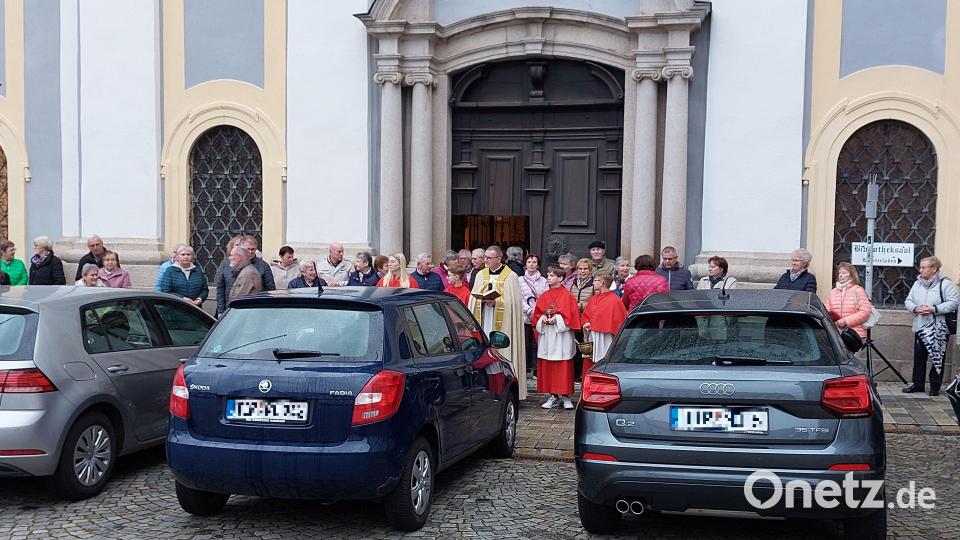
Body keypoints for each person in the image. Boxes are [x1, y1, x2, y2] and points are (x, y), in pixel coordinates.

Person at [468, 245, 527, 400]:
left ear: (499, 258)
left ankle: (507, 389)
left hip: (503, 325)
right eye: (485, 257)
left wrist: (497, 302)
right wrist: (481, 301)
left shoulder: (511, 276)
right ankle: (486, 387)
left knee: (501, 353)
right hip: (484, 320)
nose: (485, 260)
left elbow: (514, 303)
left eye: (488, 258)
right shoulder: (481, 274)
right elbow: (473, 299)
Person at [903, 256, 959, 396]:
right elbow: (908, 301)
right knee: (919, 357)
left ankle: (935, 386)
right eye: (920, 267)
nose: (920, 270)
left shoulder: (946, 284)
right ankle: (918, 384)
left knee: (937, 358)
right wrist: (915, 309)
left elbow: (954, 302)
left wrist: (934, 308)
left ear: (934, 269)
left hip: (938, 328)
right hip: (920, 325)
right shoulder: (917, 284)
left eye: (923, 267)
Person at [533, 266, 581, 409]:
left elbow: (572, 317)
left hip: (562, 336)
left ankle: (566, 397)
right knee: (548, 365)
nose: (548, 277)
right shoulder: (544, 296)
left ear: (560, 278)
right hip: (548, 335)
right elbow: (536, 314)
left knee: (563, 365)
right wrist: (543, 319)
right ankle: (553, 396)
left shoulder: (568, 296)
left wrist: (557, 319)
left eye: (552, 275)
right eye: (548, 274)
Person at [581, 271, 627, 379]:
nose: (593, 283)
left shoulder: (614, 300)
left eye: (595, 280)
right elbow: (586, 315)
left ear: (602, 283)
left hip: (606, 338)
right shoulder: (594, 298)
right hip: (592, 337)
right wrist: (586, 324)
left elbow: (619, 322)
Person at [518, 254, 548, 378]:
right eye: (529, 261)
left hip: (539, 316)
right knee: (524, 342)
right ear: (525, 264)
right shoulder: (519, 280)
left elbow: (545, 297)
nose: (531, 264)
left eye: (534, 262)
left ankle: (536, 368)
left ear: (538, 264)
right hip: (524, 316)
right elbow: (519, 298)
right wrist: (529, 310)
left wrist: (537, 310)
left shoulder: (544, 280)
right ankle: (525, 367)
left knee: (537, 343)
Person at [826, 262, 871, 340]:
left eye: (844, 273)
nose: (840, 275)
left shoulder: (858, 290)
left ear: (852, 275)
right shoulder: (833, 292)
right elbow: (827, 310)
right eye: (839, 273)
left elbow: (865, 312)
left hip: (854, 334)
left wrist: (845, 321)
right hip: (836, 334)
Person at [215, 236, 243, 318]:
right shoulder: (225, 264)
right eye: (237, 244)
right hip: (229, 306)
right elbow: (220, 288)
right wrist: (221, 310)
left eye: (241, 245)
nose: (239, 247)